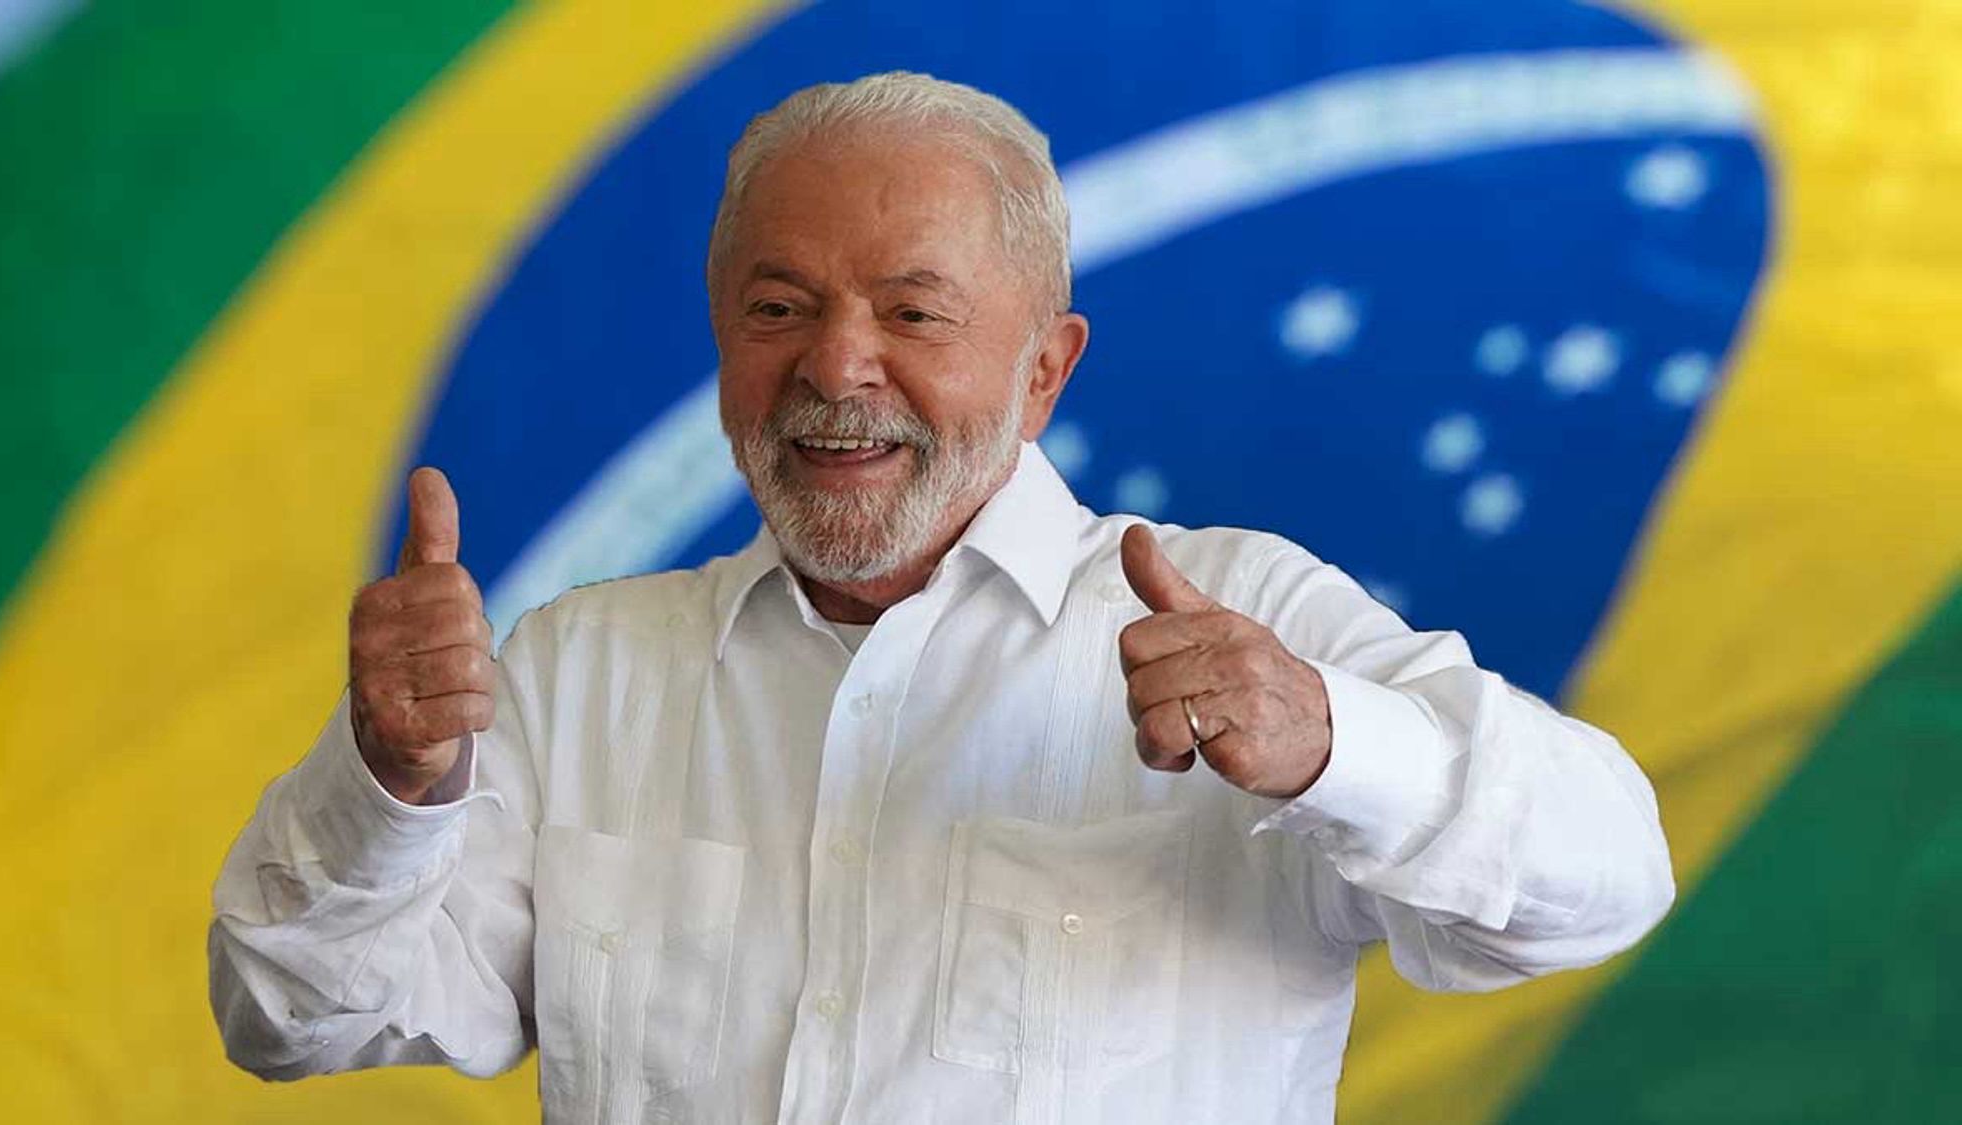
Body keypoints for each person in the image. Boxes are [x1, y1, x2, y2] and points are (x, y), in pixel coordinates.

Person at [208, 71, 1674, 1123]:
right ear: (723, 339)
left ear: (1046, 367)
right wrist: (391, 783)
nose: (838, 368)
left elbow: (1606, 878)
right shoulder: (581, 669)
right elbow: (288, 1016)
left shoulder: (1244, 615)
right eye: (779, 309)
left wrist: (1327, 740)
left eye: (914, 313)